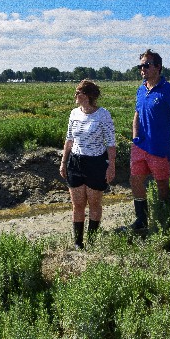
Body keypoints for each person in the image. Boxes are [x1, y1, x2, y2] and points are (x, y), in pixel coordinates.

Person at [124, 49, 170, 232]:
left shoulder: (169, 91)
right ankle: (141, 219)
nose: (143, 69)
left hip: (160, 147)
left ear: (158, 67)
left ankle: (165, 216)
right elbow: (137, 114)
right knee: (135, 179)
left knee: (162, 183)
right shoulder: (141, 89)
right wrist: (134, 138)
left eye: (146, 65)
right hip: (141, 145)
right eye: (141, 66)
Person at [60, 80, 116, 249]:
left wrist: (111, 165)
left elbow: (111, 142)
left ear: (87, 95)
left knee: (94, 204)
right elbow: (69, 139)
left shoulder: (103, 114)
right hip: (76, 162)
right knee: (77, 205)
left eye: (78, 93)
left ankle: (91, 241)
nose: (75, 96)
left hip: (96, 163)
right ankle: (78, 242)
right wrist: (64, 162)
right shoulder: (74, 113)